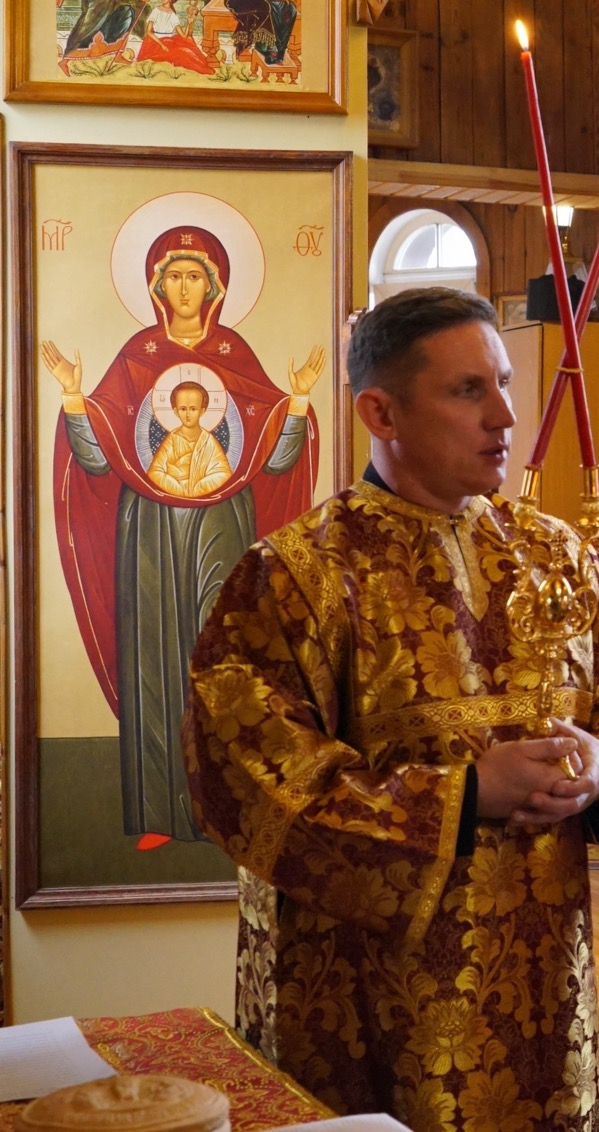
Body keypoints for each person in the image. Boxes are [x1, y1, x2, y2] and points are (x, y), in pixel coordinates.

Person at [182, 287, 599, 1129]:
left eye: (503, 384)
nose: (504, 415)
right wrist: (465, 794)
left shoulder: (558, 555)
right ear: (380, 412)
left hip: (541, 987)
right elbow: (252, 781)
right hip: (368, 1004)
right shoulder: (294, 576)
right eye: (467, 391)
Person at [43, 225, 320, 846]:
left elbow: (275, 462)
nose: (185, 286)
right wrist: (74, 397)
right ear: (157, 286)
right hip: (147, 526)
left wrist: (298, 401)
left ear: (215, 286)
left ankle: (226, 811)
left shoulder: (234, 354)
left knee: (222, 648)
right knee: (154, 651)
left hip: (223, 524)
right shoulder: (135, 357)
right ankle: (160, 815)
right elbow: (97, 460)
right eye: (174, 276)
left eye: (196, 275)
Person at [146, 382, 234, 496]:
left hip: (203, 496)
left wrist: (198, 488)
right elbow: (154, 473)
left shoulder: (208, 442)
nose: (188, 414)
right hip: (174, 496)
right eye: (183, 409)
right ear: (176, 411)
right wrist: (178, 489)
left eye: (193, 409)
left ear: (202, 411)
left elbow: (224, 474)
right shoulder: (171, 440)